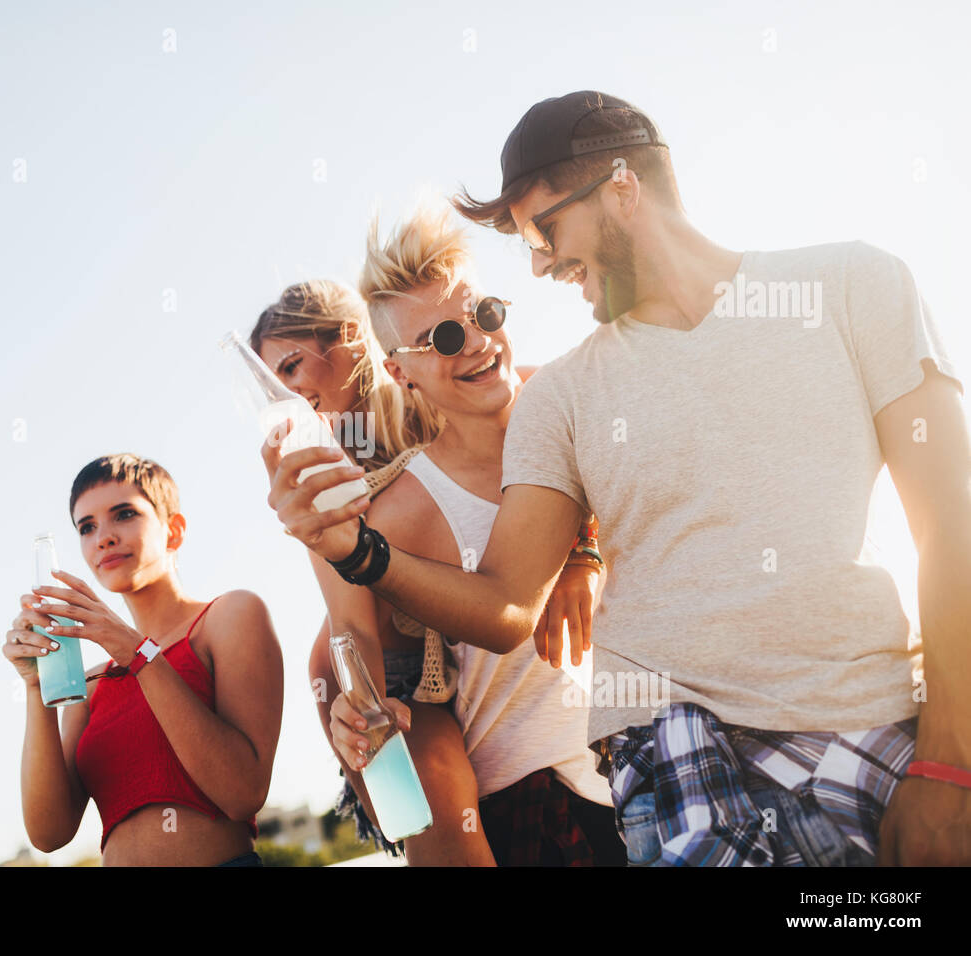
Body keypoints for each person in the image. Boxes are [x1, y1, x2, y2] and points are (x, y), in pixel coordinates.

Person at [262, 91, 970, 865]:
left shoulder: (856, 286)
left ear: (622, 190)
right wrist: (356, 558)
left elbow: (953, 525)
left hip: (870, 719)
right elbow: (488, 613)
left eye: (544, 232)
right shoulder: (558, 402)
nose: (537, 265)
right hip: (652, 753)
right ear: (402, 369)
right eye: (443, 336)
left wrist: (949, 762)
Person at [254, 257, 619, 864]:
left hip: (473, 629)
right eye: (273, 382)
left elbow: (585, 452)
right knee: (439, 793)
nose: (289, 394)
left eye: (293, 367)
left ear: (351, 340)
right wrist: (358, 712)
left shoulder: (482, 388)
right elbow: (342, 635)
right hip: (403, 676)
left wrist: (581, 551)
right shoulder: (323, 463)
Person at [5, 453, 284, 866]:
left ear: (174, 530)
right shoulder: (92, 685)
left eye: (124, 514)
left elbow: (241, 794)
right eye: (87, 527)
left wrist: (138, 654)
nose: (103, 537)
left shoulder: (229, 617)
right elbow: (48, 834)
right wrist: (36, 685)